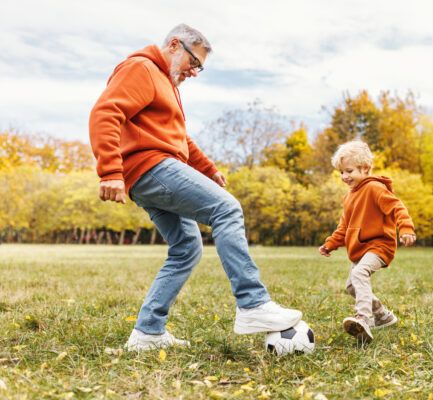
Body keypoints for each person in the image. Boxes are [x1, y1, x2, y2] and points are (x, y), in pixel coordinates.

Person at [89, 24, 301, 352]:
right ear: (175, 45)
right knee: (227, 208)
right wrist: (109, 172)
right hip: (151, 167)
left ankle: (148, 333)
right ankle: (253, 304)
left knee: (187, 247)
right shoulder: (141, 68)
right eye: (194, 63)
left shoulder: (166, 83)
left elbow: (179, 138)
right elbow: (106, 113)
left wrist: (208, 169)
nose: (194, 72)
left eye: (200, 67)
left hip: (153, 170)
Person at [318, 140, 416, 343]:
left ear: (365, 168)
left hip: (379, 246)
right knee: (352, 286)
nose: (345, 177)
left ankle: (363, 317)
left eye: (349, 171)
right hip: (359, 249)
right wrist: (331, 243)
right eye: (341, 173)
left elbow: (397, 207)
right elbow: (344, 227)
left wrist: (405, 228)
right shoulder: (349, 197)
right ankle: (383, 315)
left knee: (359, 273)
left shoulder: (374, 188)